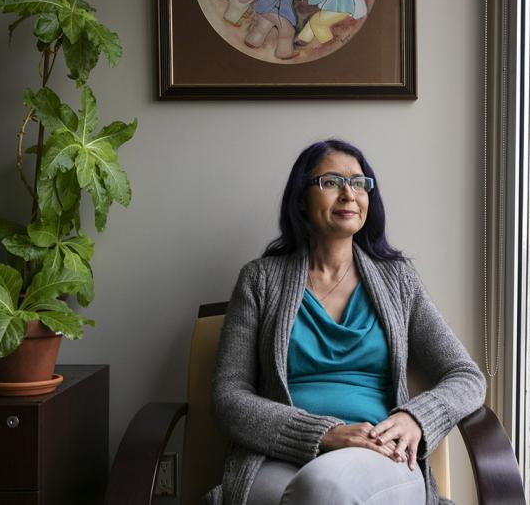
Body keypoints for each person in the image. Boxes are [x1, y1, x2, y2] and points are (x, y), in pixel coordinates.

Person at [207, 139, 486, 505]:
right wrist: (326, 433)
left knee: (324, 490)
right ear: (301, 198)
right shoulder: (260, 280)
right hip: (278, 458)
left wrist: (415, 419)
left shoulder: (398, 280)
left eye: (359, 183)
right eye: (331, 182)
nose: (348, 194)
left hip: (379, 454)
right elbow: (229, 397)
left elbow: (467, 377)